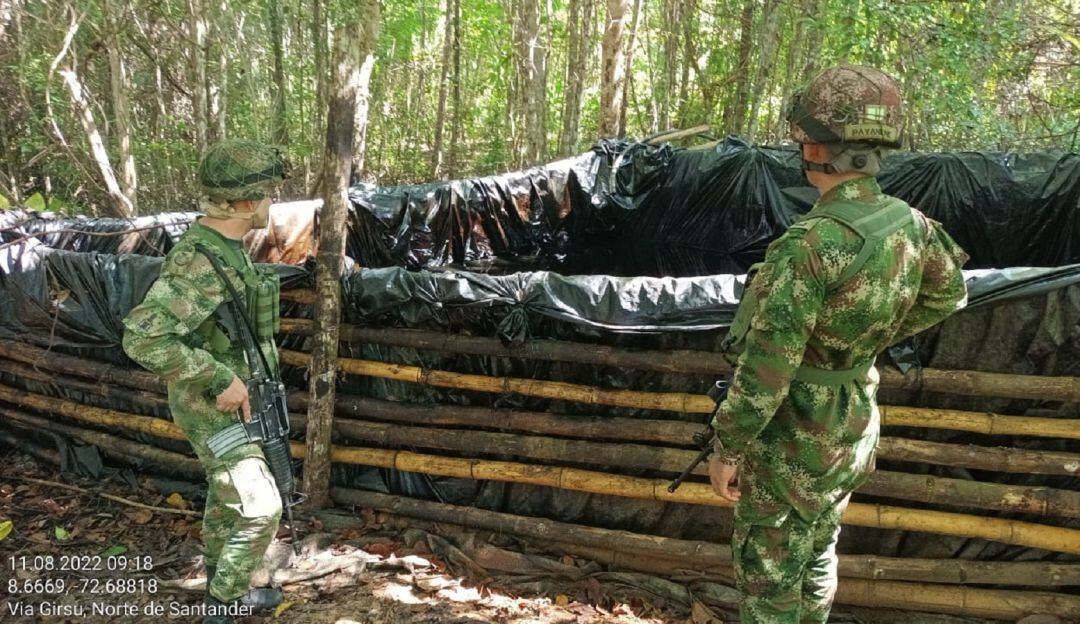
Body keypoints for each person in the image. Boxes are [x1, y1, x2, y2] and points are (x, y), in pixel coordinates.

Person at [708, 65, 969, 624]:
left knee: (770, 575)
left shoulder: (808, 244)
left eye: (803, 138)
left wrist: (727, 448)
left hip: (794, 434)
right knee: (819, 549)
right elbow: (950, 294)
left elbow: (767, 370)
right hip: (851, 422)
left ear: (817, 147)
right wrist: (867, 336)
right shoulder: (913, 225)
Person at [122, 139, 289, 624]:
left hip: (236, 398)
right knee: (261, 507)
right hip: (210, 403)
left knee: (226, 498)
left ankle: (228, 590)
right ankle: (223, 607)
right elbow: (142, 338)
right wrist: (219, 376)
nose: (271, 203)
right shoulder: (200, 260)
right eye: (267, 195)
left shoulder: (226, 249)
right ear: (245, 203)